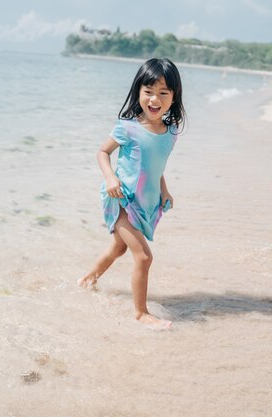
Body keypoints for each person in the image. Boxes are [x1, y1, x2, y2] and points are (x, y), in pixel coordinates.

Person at [77, 58, 186, 328]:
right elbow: (103, 152)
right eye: (148, 91)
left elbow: (155, 168)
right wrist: (111, 177)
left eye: (163, 93)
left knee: (119, 247)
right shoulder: (128, 128)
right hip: (121, 199)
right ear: (138, 92)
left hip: (144, 201)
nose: (154, 99)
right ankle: (140, 313)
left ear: (174, 97)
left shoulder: (170, 132)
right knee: (144, 256)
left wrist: (164, 189)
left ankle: (87, 279)